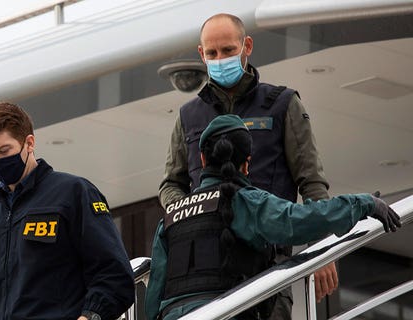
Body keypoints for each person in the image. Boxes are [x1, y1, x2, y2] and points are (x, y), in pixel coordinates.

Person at [159, 13, 336, 315]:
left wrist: (323, 247)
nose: (220, 58)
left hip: (266, 266)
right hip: (202, 274)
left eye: (228, 50)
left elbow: (311, 181)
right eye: (212, 53)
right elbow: (171, 184)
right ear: (201, 54)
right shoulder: (188, 116)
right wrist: (193, 209)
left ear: (247, 46)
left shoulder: (282, 104)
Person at [147, 114, 401, 320]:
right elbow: (303, 220)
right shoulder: (247, 202)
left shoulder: (171, 216)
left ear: (202, 160)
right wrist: (363, 204)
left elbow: (153, 296)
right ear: (247, 163)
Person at [0, 102, 135, 320]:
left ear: (29, 143)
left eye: (3, 151)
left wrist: (89, 317)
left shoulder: (73, 194)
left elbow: (114, 276)